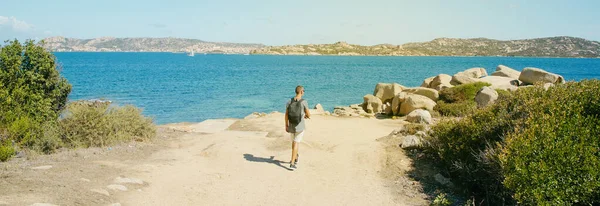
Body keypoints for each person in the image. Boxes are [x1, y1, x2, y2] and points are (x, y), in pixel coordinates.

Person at [285, 85, 310, 171]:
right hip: (300, 126)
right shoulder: (304, 102)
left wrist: (286, 125)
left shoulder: (289, 101)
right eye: (304, 91)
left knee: (294, 143)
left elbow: (286, 114)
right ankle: (292, 163)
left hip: (291, 125)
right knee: (296, 143)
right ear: (301, 92)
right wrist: (306, 116)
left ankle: (296, 156)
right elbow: (308, 114)